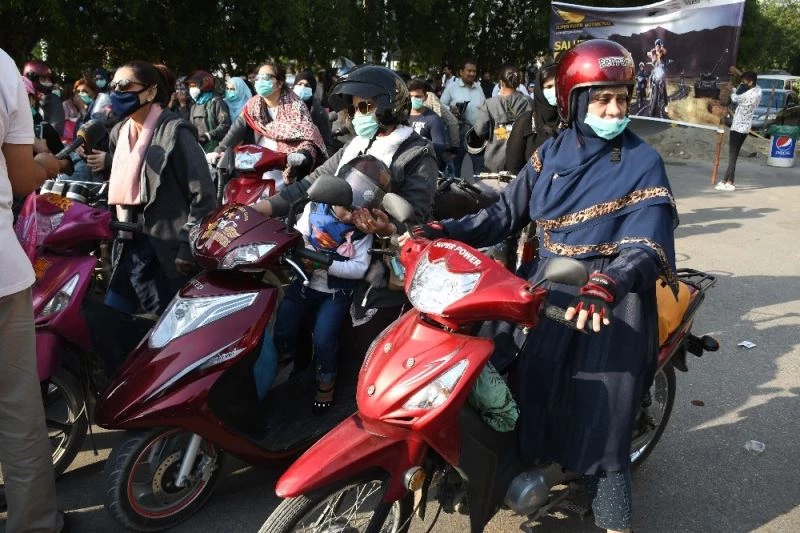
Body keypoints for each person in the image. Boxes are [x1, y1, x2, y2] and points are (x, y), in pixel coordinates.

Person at [407, 40, 678, 533]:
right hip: (545, 284)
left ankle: (614, 520)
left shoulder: (643, 162)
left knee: (601, 418)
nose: (614, 110)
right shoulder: (551, 152)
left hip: (607, 301)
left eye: (621, 98)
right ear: (575, 100)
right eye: (601, 99)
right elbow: (503, 215)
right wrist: (444, 231)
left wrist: (610, 282)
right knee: (494, 362)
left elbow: (646, 242)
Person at [252, 65, 438, 359]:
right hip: (322, 249)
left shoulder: (416, 153)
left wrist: (385, 227)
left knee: (358, 347)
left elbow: (415, 219)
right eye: (354, 110)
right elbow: (309, 185)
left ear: (389, 107)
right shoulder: (355, 145)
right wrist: (257, 210)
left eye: (365, 107)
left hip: (374, 266)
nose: (357, 116)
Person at [0, 47, 67, 533]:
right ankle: (34, 523)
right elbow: (22, 175)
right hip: (2, 274)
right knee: (17, 405)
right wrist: (46, 163)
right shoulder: (2, 68)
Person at [272, 156, 390, 414]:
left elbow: (359, 268)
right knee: (284, 323)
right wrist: (303, 252)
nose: (351, 215)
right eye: (346, 208)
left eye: (359, 210)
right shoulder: (315, 209)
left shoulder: (360, 232)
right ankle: (286, 358)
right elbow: (300, 234)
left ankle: (326, 379)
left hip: (335, 293)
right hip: (304, 283)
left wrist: (325, 264)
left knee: (324, 337)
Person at [97, 60, 216, 315]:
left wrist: (188, 245)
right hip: (127, 241)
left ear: (150, 92)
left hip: (165, 249)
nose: (117, 92)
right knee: (114, 316)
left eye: (125, 85)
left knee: (162, 322)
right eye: (113, 85)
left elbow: (204, 194)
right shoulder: (119, 131)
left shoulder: (176, 132)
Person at [207, 61, 327, 187]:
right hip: (255, 171)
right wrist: (219, 150)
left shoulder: (296, 107)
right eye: (258, 78)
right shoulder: (252, 106)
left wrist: (302, 154)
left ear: (279, 83)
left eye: (266, 77)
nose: (260, 81)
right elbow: (237, 129)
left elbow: (307, 137)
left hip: (286, 175)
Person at [469, 64, 532, 172]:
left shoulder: (489, 104)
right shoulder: (528, 102)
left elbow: (480, 130)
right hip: (521, 161)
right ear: (518, 82)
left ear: (501, 83)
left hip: (495, 162)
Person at [505, 62, 560, 174]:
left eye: (558, 86)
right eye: (549, 87)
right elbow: (513, 166)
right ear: (539, 90)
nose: (555, 91)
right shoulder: (526, 122)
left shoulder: (571, 119)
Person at [440, 59, 486, 177]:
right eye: (469, 71)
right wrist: (451, 109)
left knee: (480, 170)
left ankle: (481, 189)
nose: (472, 73)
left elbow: (484, 107)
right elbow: (440, 105)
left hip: (476, 134)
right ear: (461, 72)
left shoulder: (478, 87)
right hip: (457, 133)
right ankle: (453, 188)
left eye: (474, 71)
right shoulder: (452, 87)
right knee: (455, 168)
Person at [717, 71, 761, 191]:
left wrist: (732, 89)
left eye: (744, 81)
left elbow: (735, 98)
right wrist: (737, 88)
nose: (743, 83)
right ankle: (724, 180)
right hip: (746, 128)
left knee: (732, 156)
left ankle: (731, 182)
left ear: (750, 82)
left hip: (737, 127)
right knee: (734, 155)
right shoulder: (758, 91)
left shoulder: (747, 95)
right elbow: (742, 91)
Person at [185, 70, 231, 152]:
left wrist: (208, 136)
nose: (191, 89)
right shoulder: (194, 106)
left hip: (215, 148)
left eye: (194, 85)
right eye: (190, 86)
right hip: (198, 148)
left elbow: (225, 125)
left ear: (205, 84)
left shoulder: (216, 102)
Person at [294, 70, 337, 154]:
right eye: (299, 84)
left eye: (307, 85)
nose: (302, 87)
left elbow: (327, 144)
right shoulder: (283, 107)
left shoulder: (319, 112)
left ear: (312, 89)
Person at [407, 79, 448, 161]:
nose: (413, 99)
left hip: (423, 163)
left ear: (425, 97)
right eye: (411, 96)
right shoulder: (401, 116)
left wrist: (421, 150)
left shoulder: (434, 119)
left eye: (418, 96)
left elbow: (440, 147)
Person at [23, 60, 65, 137]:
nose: (48, 83)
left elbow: (55, 132)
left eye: (49, 79)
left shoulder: (53, 100)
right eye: (43, 79)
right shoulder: (23, 99)